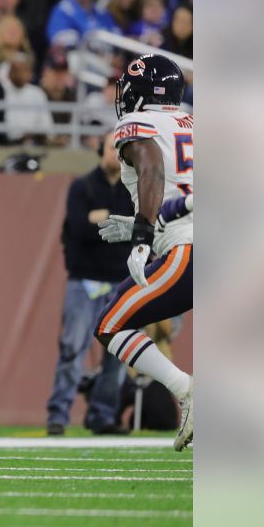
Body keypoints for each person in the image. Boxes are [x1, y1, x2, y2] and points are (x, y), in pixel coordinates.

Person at [92, 54, 194, 452]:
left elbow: (153, 168)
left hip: (189, 249)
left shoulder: (137, 124)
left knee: (109, 324)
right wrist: (142, 224)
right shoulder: (194, 122)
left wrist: (142, 237)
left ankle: (186, 390)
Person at [47, 133, 136, 436]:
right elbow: (80, 227)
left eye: (122, 150)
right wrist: (117, 222)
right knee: (72, 348)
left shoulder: (132, 189)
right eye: (113, 148)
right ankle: (58, 414)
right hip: (85, 281)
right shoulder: (82, 186)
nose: (117, 154)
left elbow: (139, 228)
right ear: (101, 151)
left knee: (118, 354)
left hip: (121, 281)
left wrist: (102, 218)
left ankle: (102, 415)